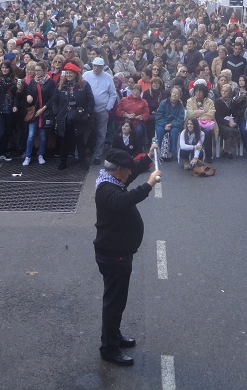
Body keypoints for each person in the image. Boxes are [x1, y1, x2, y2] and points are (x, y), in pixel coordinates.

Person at [93, 148, 161, 366]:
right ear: (119, 170)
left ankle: (114, 336)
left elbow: (130, 176)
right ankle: (109, 348)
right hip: (114, 255)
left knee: (118, 301)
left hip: (119, 252)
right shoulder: (106, 191)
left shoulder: (113, 179)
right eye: (128, 168)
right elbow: (124, 201)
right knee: (114, 302)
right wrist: (148, 185)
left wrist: (148, 158)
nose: (130, 172)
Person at [50, 63, 94, 170]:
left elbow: (90, 100)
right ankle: (63, 162)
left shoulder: (84, 85)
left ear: (75, 74)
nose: (69, 75)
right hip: (64, 118)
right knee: (64, 141)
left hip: (79, 117)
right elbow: (54, 101)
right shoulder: (61, 85)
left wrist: (87, 113)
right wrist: (57, 113)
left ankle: (82, 163)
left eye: (71, 73)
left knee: (80, 141)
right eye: (67, 73)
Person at [83, 56, 117, 165]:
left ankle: (97, 155)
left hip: (102, 110)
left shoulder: (107, 77)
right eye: (95, 66)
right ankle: (79, 154)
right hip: (88, 110)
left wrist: (108, 108)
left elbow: (113, 94)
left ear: (103, 67)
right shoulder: (86, 75)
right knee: (85, 132)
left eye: (99, 66)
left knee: (101, 134)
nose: (96, 68)